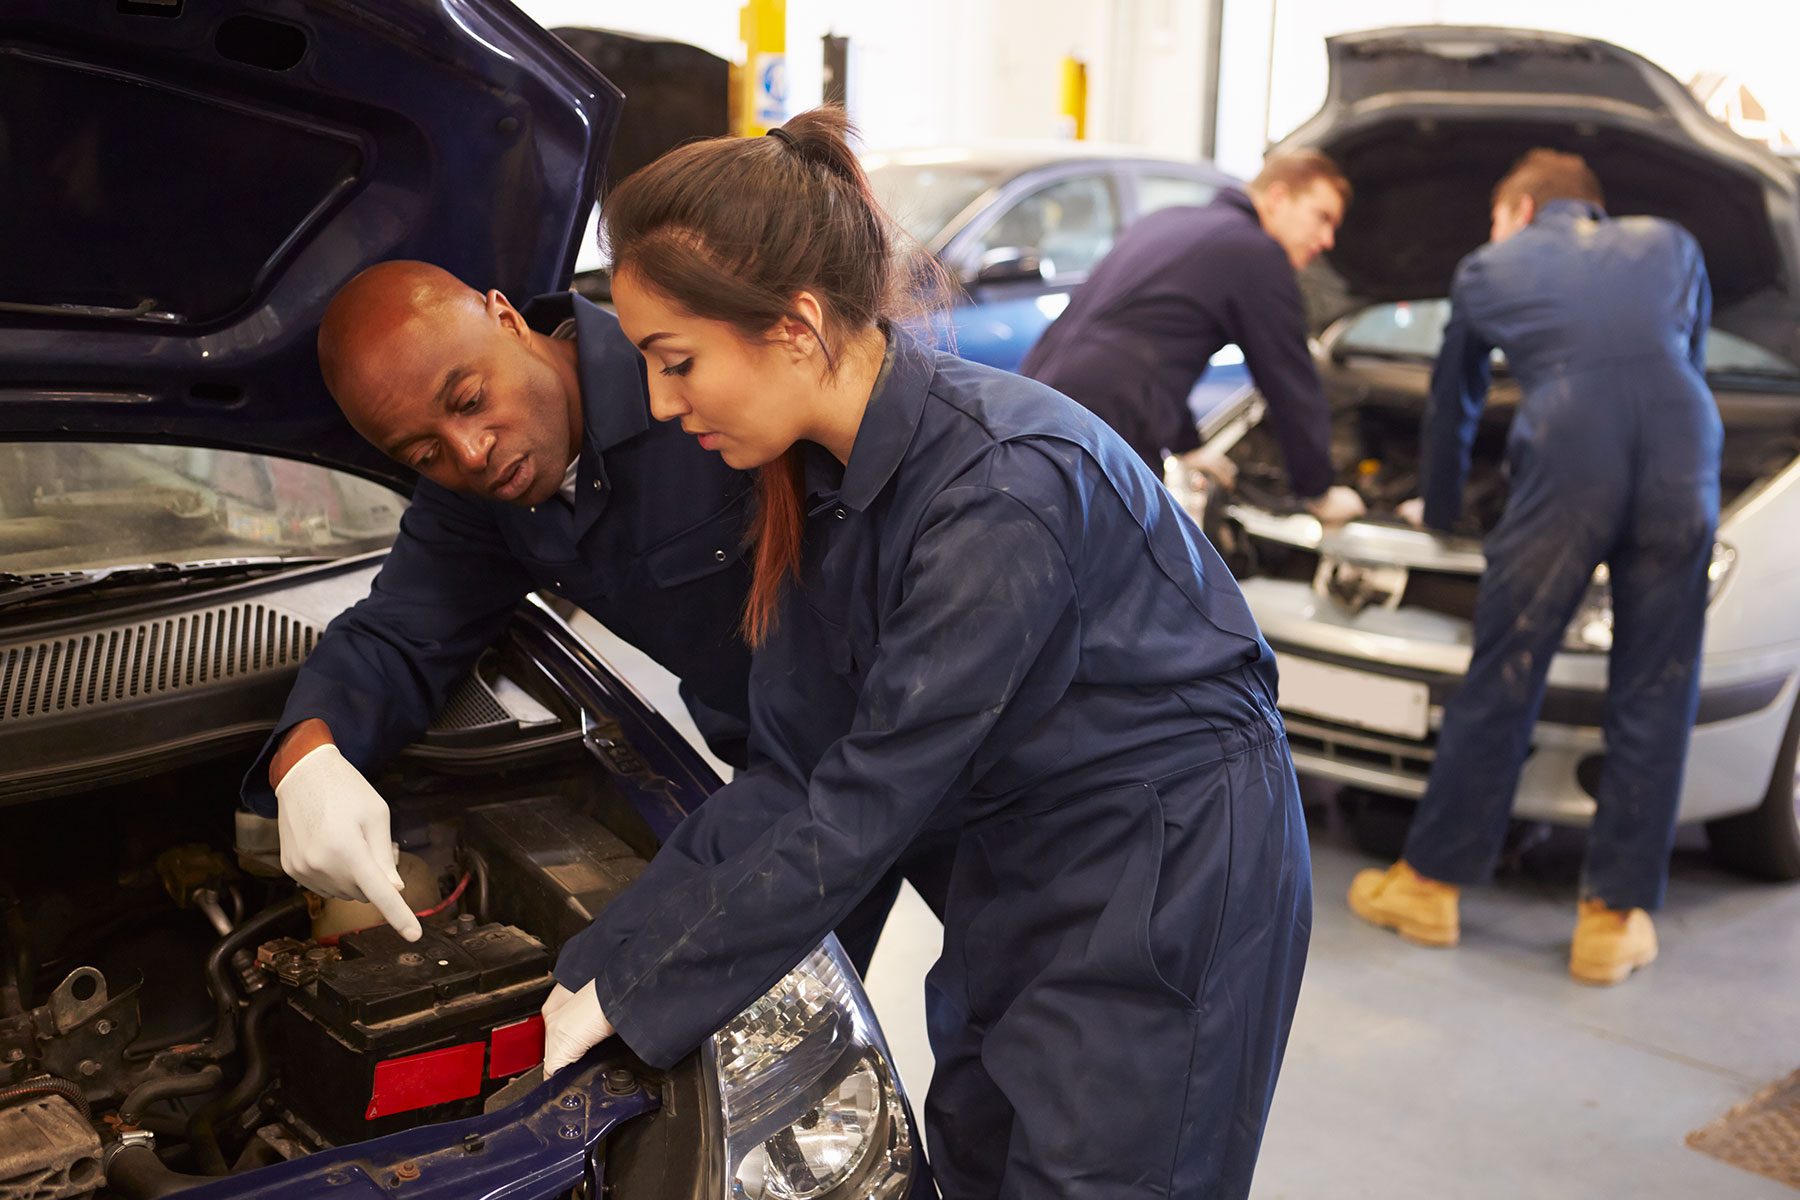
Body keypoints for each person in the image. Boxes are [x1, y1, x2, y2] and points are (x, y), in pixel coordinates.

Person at [537, 107, 1313, 1199]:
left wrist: (650, 993)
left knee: (1108, 1173)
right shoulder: (822, 483)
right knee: (983, 1154)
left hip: (1164, 856)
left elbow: (864, 800)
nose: (661, 404)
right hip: (1020, 848)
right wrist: (601, 969)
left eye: (677, 362)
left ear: (797, 326)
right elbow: (794, 769)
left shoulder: (999, 490)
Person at [243, 262, 756, 940]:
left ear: (507, 319)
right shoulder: (477, 504)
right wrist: (306, 760)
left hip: (918, 721)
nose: (471, 453)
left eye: (469, 400)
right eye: (426, 454)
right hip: (780, 772)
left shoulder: (684, 366)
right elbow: (398, 632)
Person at [1351, 150, 1718, 986]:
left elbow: (1455, 401)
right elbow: (1684, 360)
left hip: (1568, 452)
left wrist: (1442, 514)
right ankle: (1612, 923)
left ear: (1518, 210)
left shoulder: (1492, 264)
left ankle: (1431, 886)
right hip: (1684, 451)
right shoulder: (1670, 242)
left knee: (1507, 669)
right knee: (1658, 683)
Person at [1021, 150, 1365, 526]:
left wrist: (1188, 445)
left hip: (1037, 395)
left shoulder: (1171, 220)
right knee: (1118, 564)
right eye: (1322, 217)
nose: (1328, 239)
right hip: (1106, 424)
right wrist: (1318, 491)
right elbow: (1288, 379)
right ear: (1279, 197)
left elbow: (1151, 340)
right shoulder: (1256, 254)